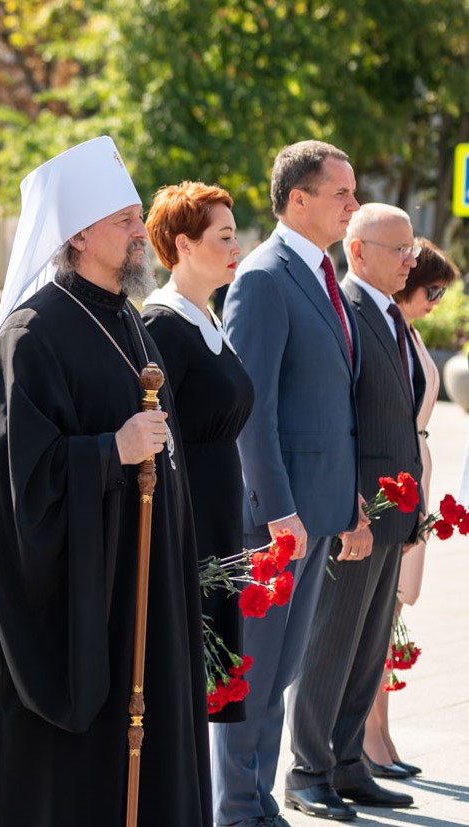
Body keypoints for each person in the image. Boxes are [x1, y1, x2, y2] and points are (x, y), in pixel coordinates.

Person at [0, 136, 210, 826]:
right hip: (81, 617)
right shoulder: (31, 337)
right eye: (126, 221)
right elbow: (19, 492)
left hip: (145, 588)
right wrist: (109, 452)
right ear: (78, 235)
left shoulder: (129, 319)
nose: (139, 232)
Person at [217, 139, 364, 827]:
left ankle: (257, 801)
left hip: (317, 514)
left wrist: (346, 494)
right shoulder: (264, 277)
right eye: (341, 193)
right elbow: (253, 410)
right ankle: (235, 808)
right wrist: (279, 510)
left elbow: (328, 400)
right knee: (253, 674)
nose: (352, 205)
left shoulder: (323, 274)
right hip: (275, 523)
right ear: (297, 199)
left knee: (279, 676)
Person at [284, 203, 423, 818]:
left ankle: (346, 763)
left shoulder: (391, 315)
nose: (411, 261)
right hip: (357, 514)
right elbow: (337, 417)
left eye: (413, 249)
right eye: (400, 250)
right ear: (360, 251)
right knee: (330, 646)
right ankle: (308, 770)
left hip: (394, 514)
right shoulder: (346, 308)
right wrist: (353, 509)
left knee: (367, 650)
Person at [141, 182, 253, 722]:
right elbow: (160, 439)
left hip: (218, 511)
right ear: (183, 246)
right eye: (225, 236)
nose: (237, 249)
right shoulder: (163, 323)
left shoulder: (208, 318)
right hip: (186, 515)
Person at [362, 237, 459, 777]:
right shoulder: (388, 331)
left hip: (413, 469)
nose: (437, 301)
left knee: (395, 609)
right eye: (433, 289)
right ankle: (371, 737)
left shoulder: (409, 333)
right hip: (395, 478)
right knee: (381, 612)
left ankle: (381, 732)